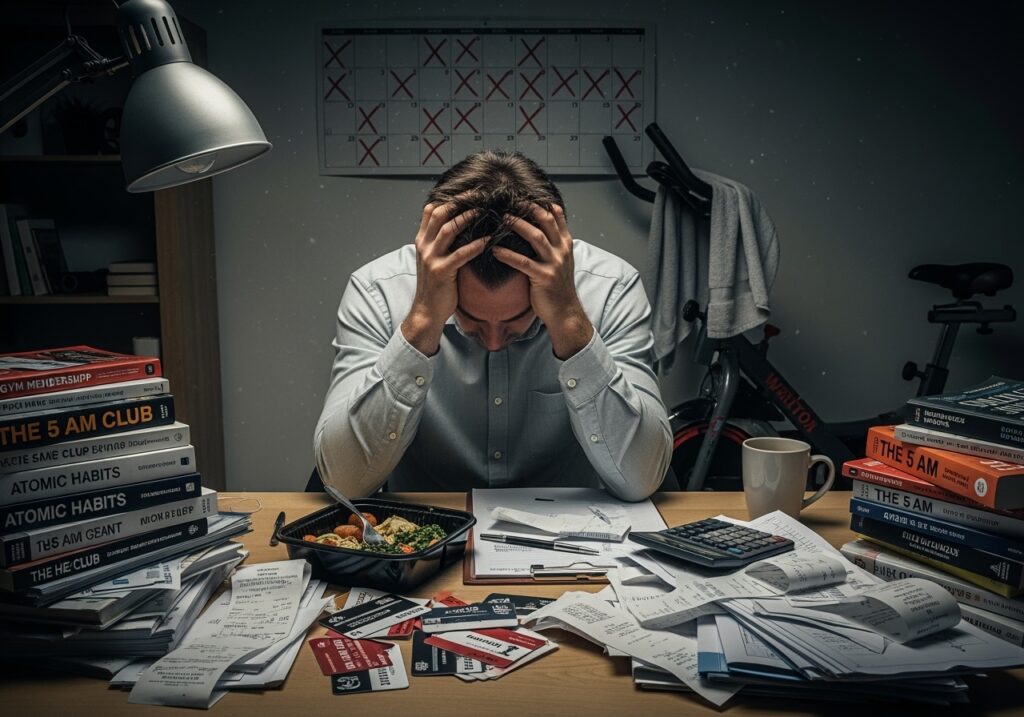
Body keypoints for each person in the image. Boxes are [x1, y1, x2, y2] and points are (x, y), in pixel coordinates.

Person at [314, 150, 672, 501]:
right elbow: (343, 481)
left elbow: (639, 478)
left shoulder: (611, 289)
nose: (496, 342)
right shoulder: (378, 291)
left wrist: (569, 320)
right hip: (425, 540)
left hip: (574, 541)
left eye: (516, 320)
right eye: (472, 319)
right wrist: (422, 321)